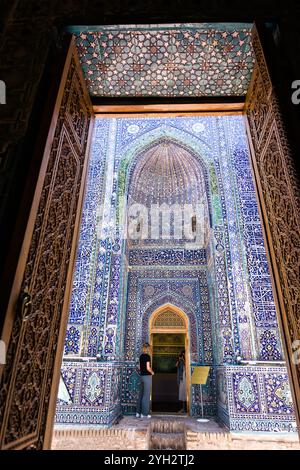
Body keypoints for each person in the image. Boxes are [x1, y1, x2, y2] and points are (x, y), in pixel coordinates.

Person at [136, 343, 154, 418]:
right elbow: (148, 368)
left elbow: (139, 368)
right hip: (147, 377)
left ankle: (138, 413)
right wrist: (152, 372)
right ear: (148, 349)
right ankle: (144, 414)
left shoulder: (141, 356)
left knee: (141, 395)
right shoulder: (147, 356)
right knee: (146, 395)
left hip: (141, 376)